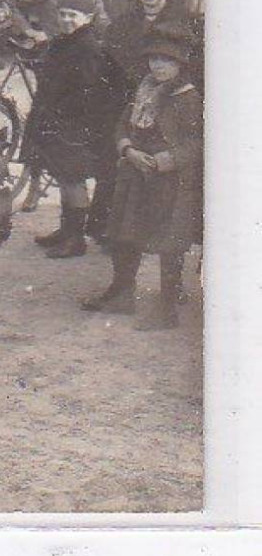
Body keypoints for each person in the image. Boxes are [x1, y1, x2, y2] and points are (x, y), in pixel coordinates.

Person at [82, 27, 202, 329]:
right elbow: (123, 123)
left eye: (166, 61)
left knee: (168, 241)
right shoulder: (144, 89)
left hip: (168, 180)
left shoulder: (188, 98)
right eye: (154, 59)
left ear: (180, 65)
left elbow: (196, 141)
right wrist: (126, 148)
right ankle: (122, 293)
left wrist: (165, 160)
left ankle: (167, 306)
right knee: (125, 232)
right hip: (135, 172)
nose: (158, 66)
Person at [24, 0, 126, 260]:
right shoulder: (65, 41)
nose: (67, 20)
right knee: (62, 176)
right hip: (60, 121)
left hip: (75, 126)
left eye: (73, 15)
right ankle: (66, 229)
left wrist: (68, 117)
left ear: (88, 17)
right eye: (63, 14)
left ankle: (76, 238)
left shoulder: (88, 48)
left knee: (73, 180)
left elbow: (90, 93)